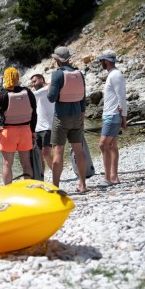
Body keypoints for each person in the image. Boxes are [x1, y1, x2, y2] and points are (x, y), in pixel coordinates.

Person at [47, 46, 88, 193]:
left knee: (58, 152)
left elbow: (51, 98)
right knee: (79, 150)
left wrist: (50, 89)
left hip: (61, 117)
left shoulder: (58, 75)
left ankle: (56, 187)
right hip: (77, 115)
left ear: (57, 59)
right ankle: (82, 185)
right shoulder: (79, 73)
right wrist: (82, 113)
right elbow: (83, 97)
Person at [0, 67, 37, 184]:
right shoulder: (28, 92)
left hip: (8, 132)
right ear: (17, 78)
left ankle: (8, 190)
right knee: (26, 163)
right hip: (25, 131)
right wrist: (33, 130)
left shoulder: (3, 95)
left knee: (7, 163)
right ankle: (28, 188)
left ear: (5, 78)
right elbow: (34, 113)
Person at [97, 49, 127, 186]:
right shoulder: (112, 74)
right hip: (111, 114)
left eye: (102, 60)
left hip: (112, 115)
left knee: (103, 145)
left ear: (107, 61)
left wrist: (124, 119)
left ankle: (108, 178)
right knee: (112, 146)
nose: (101, 63)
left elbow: (122, 97)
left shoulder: (115, 75)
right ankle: (114, 177)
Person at [30, 73, 55, 176]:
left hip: (47, 127)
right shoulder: (42, 91)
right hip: (38, 128)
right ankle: (41, 176)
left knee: (46, 153)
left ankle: (56, 173)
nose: (33, 84)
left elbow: (30, 95)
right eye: (32, 83)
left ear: (41, 79)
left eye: (35, 81)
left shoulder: (46, 90)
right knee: (39, 155)